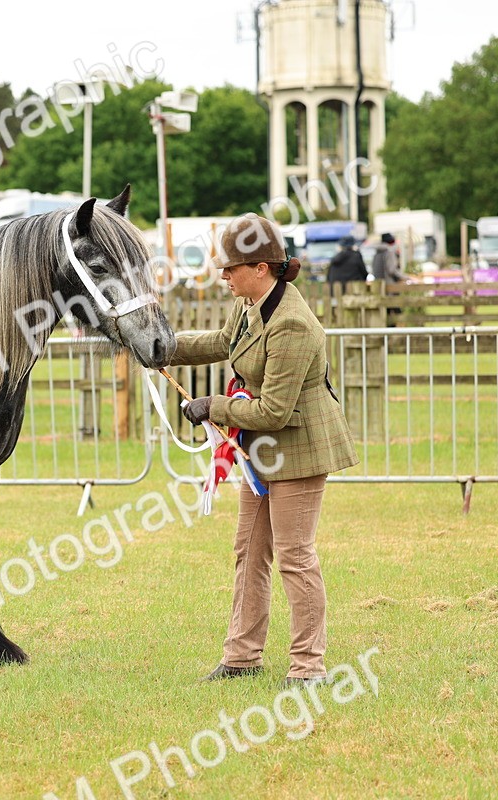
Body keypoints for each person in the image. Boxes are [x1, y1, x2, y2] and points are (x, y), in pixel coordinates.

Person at [168, 213, 359, 686]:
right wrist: (164, 347)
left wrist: (213, 406)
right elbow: (222, 342)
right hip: (262, 449)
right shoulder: (250, 302)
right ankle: (241, 658)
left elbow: (273, 411)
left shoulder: (292, 323)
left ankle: (308, 668)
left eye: (230, 268)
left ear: (261, 267)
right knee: (249, 552)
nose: (223, 275)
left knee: (295, 556)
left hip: (299, 448)